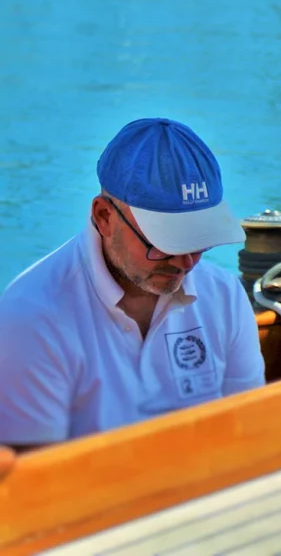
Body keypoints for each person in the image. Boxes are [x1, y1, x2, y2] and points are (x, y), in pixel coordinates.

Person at [0, 118, 265, 451]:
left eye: (199, 241)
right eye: (165, 243)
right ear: (104, 217)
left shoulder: (225, 296)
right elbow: (33, 475)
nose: (186, 263)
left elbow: (249, 432)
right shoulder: (30, 318)